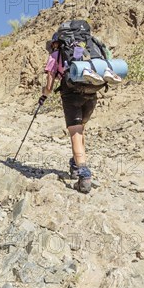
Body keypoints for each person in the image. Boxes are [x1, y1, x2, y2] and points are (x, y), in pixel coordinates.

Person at [40, 34, 96, 194]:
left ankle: (84, 175)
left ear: (55, 44)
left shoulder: (55, 55)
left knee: (75, 133)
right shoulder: (84, 50)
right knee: (80, 129)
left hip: (72, 95)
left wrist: (44, 94)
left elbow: (49, 87)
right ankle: (75, 163)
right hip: (91, 94)